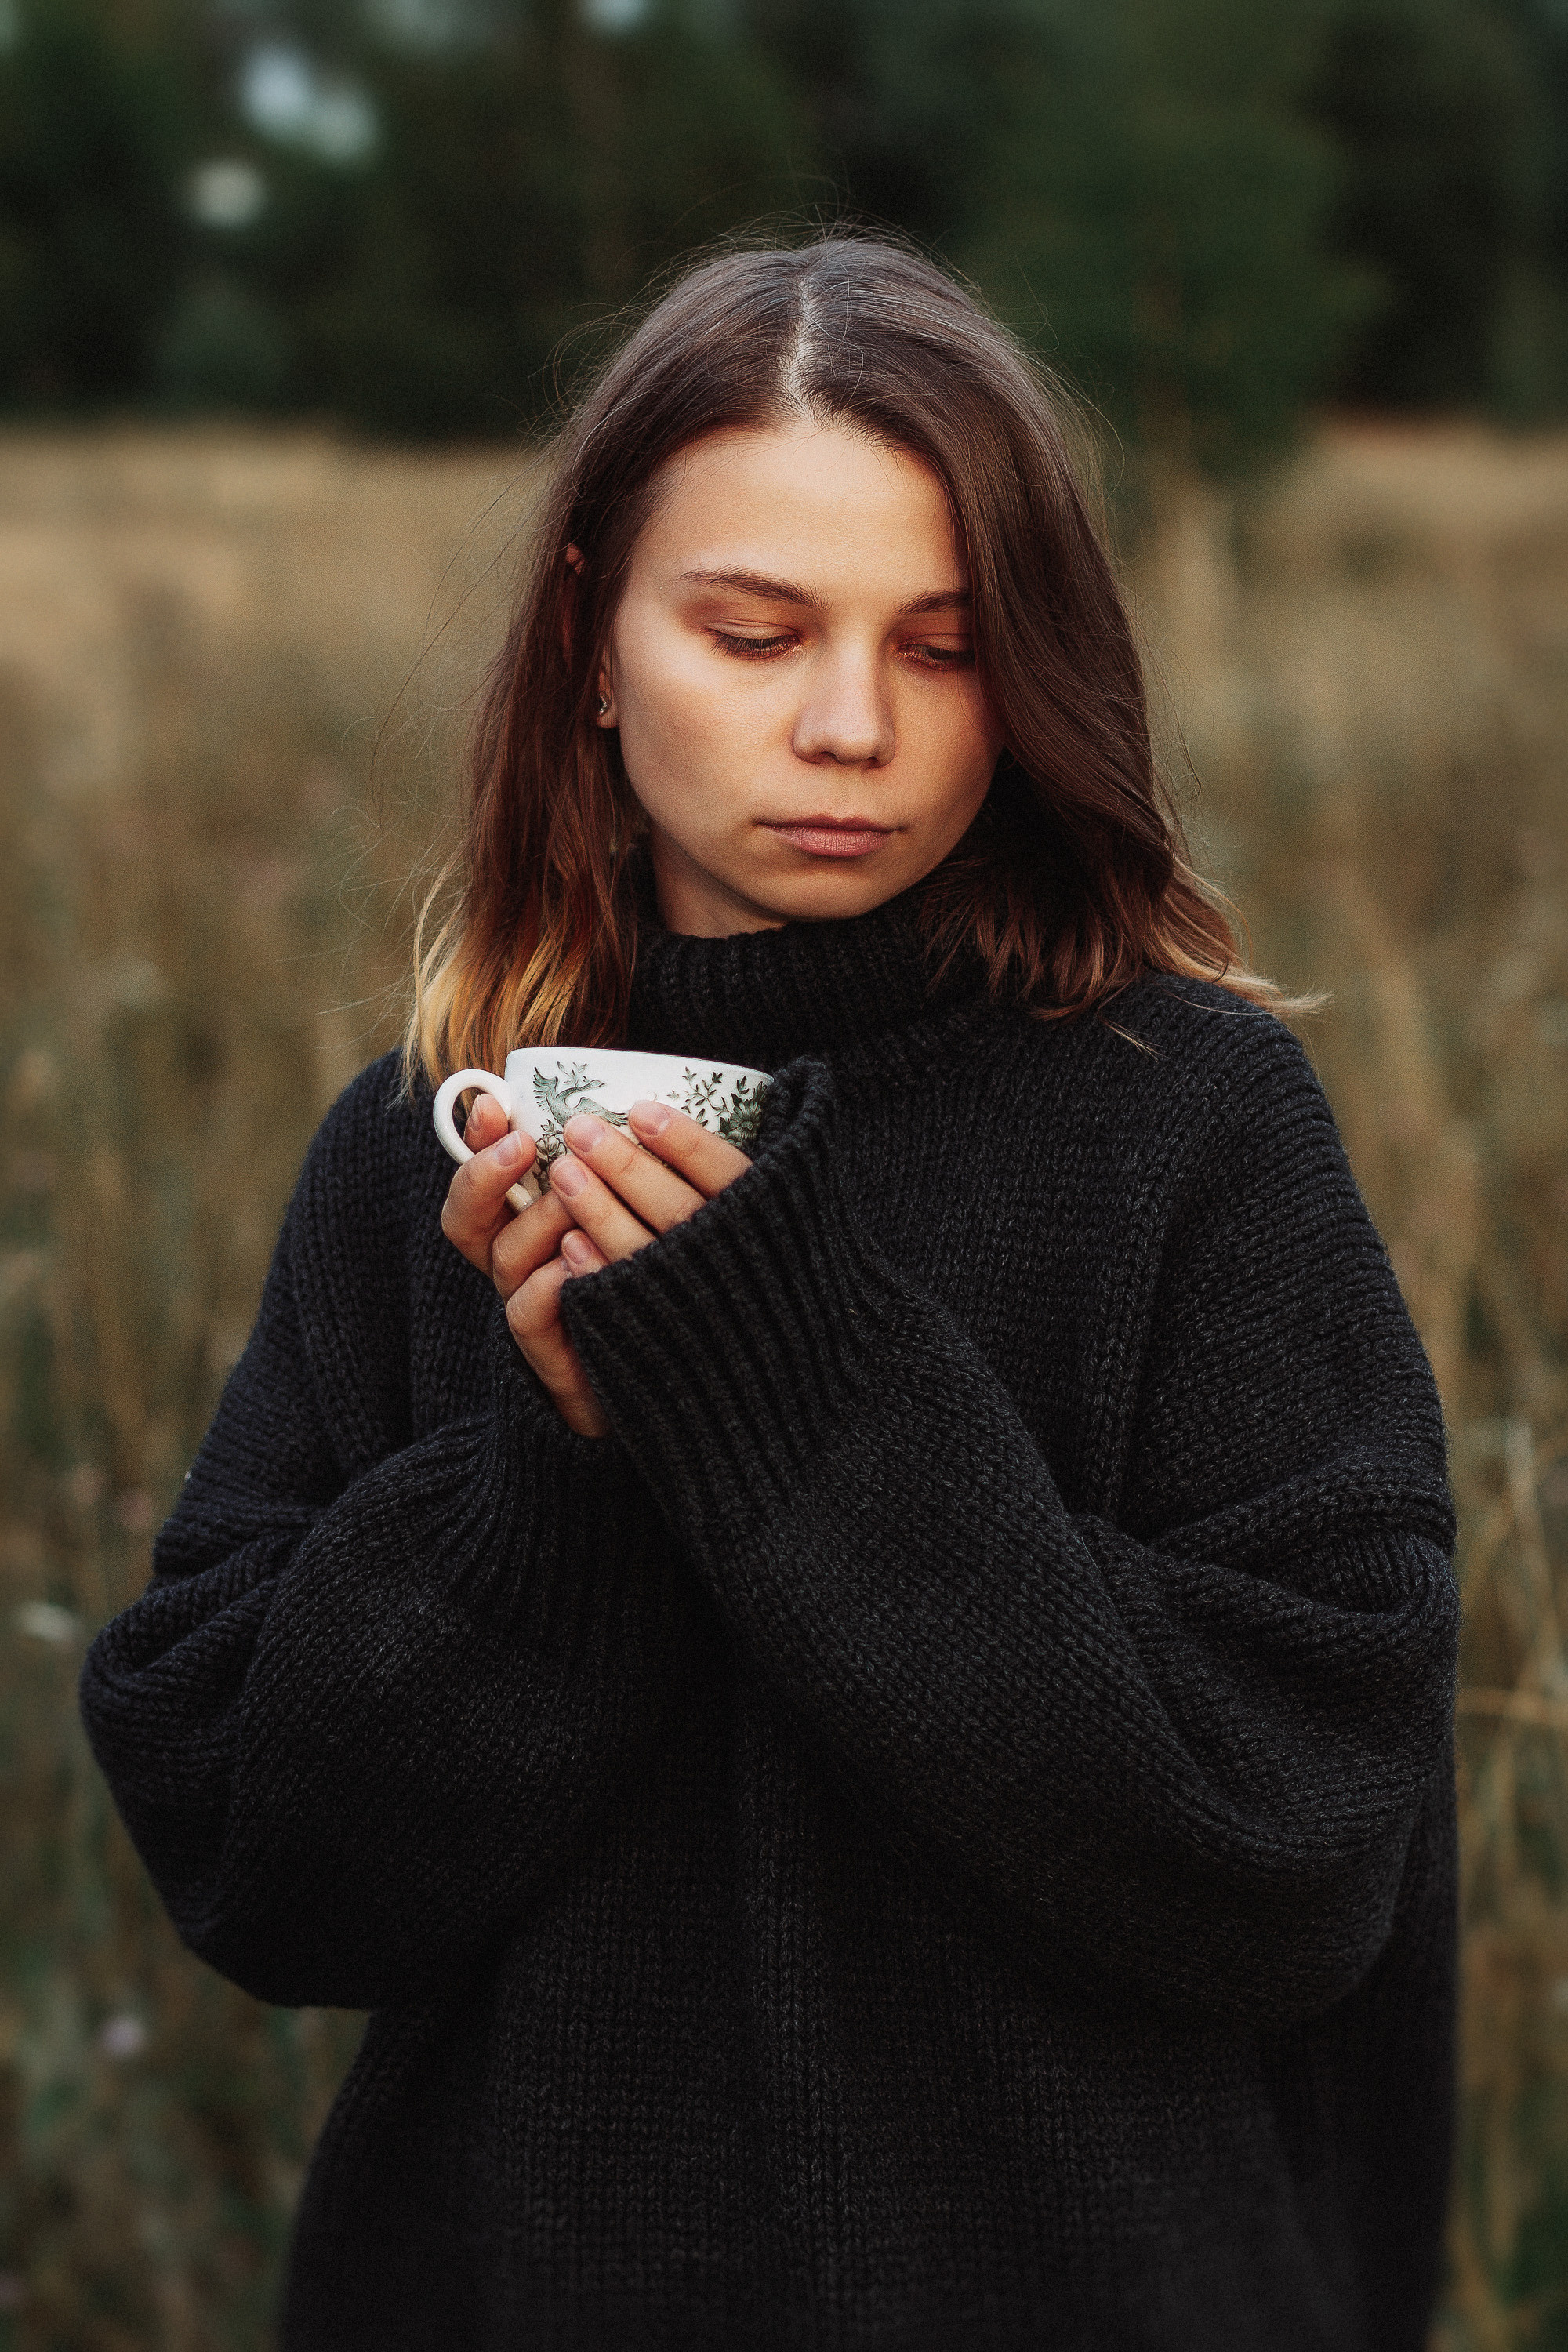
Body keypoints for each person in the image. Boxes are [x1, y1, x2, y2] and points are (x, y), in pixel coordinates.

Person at [80, 236, 1458, 2352]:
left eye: (943, 645)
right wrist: (555, 1477)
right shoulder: (422, 1149)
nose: (848, 727)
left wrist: (788, 1392)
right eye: (753, 629)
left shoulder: (1189, 1123)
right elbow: (269, 1877)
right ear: (595, 644)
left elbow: (1293, 1855)